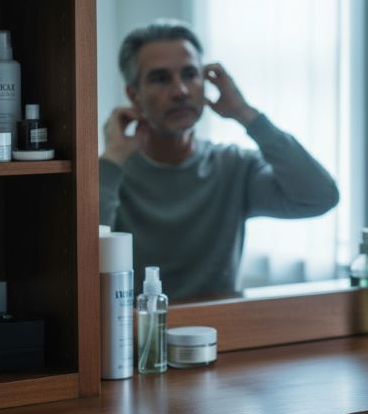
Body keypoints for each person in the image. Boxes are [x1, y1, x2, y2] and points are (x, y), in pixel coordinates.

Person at [99, 21, 339, 300]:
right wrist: (112, 159)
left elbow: (320, 197)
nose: (181, 91)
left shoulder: (234, 166)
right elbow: (81, 255)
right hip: (134, 336)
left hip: (220, 331)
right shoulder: (112, 174)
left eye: (190, 74)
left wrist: (245, 114)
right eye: (161, 78)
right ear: (134, 95)